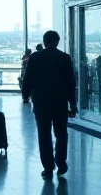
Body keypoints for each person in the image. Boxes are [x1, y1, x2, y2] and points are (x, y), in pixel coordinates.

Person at [22, 30, 77, 180]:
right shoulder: (64, 58)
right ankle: (61, 162)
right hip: (60, 102)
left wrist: (25, 95)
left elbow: (28, 79)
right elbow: (70, 83)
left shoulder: (35, 57)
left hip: (41, 102)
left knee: (44, 134)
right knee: (61, 133)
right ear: (57, 42)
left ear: (44, 41)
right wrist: (73, 103)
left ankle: (48, 167)